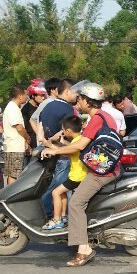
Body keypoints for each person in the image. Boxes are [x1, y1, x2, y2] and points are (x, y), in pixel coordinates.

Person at [42, 82, 120, 267]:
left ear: (87, 101)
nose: (78, 102)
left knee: (76, 203)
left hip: (100, 172)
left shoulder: (95, 119)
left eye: (80, 99)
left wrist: (54, 151)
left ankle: (84, 249)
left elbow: (79, 145)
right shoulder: (107, 115)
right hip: (108, 167)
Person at [38, 79, 79, 218]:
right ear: (67, 91)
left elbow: (40, 129)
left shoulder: (47, 106)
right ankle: (59, 216)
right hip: (64, 153)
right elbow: (70, 133)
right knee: (61, 188)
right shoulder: (67, 109)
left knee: (51, 185)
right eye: (75, 92)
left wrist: (48, 142)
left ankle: (49, 213)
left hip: (49, 151)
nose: (77, 96)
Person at [42, 115, 88, 230]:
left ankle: (56, 220)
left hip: (77, 177)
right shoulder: (79, 139)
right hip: (78, 175)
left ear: (68, 131)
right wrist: (62, 142)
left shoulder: (77, 143)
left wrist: (50, 147)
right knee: (60, 191)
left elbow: (67, 152)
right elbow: (70, 149)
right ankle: (63, 216)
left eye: (63, 130)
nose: (62, 132)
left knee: (55, 193)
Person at [2, 85, 31, 184]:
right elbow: (19, 128)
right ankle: (11, 198)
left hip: (14, 146)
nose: (26, 97)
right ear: (20, 96)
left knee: (13, 174)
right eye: (25, 95)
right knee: (15, 175)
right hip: (14, 147)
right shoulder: (12, 108)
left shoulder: (14, 107)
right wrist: (27, 138)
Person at [29, 77, 63, 146]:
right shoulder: (48, 103)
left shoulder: (51, 102)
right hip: (48, 144)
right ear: (53, 90)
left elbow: (32, 119)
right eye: (60, 88)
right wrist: (41, 137)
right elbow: (32, 120)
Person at [21, 80, 47, 150]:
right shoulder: (26, 109)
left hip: (42, 140)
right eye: (41, 95)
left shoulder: (42, 106)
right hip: (32, 142)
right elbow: (22, 128)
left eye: (44, 95)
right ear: (33, 95)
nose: (43, 97)